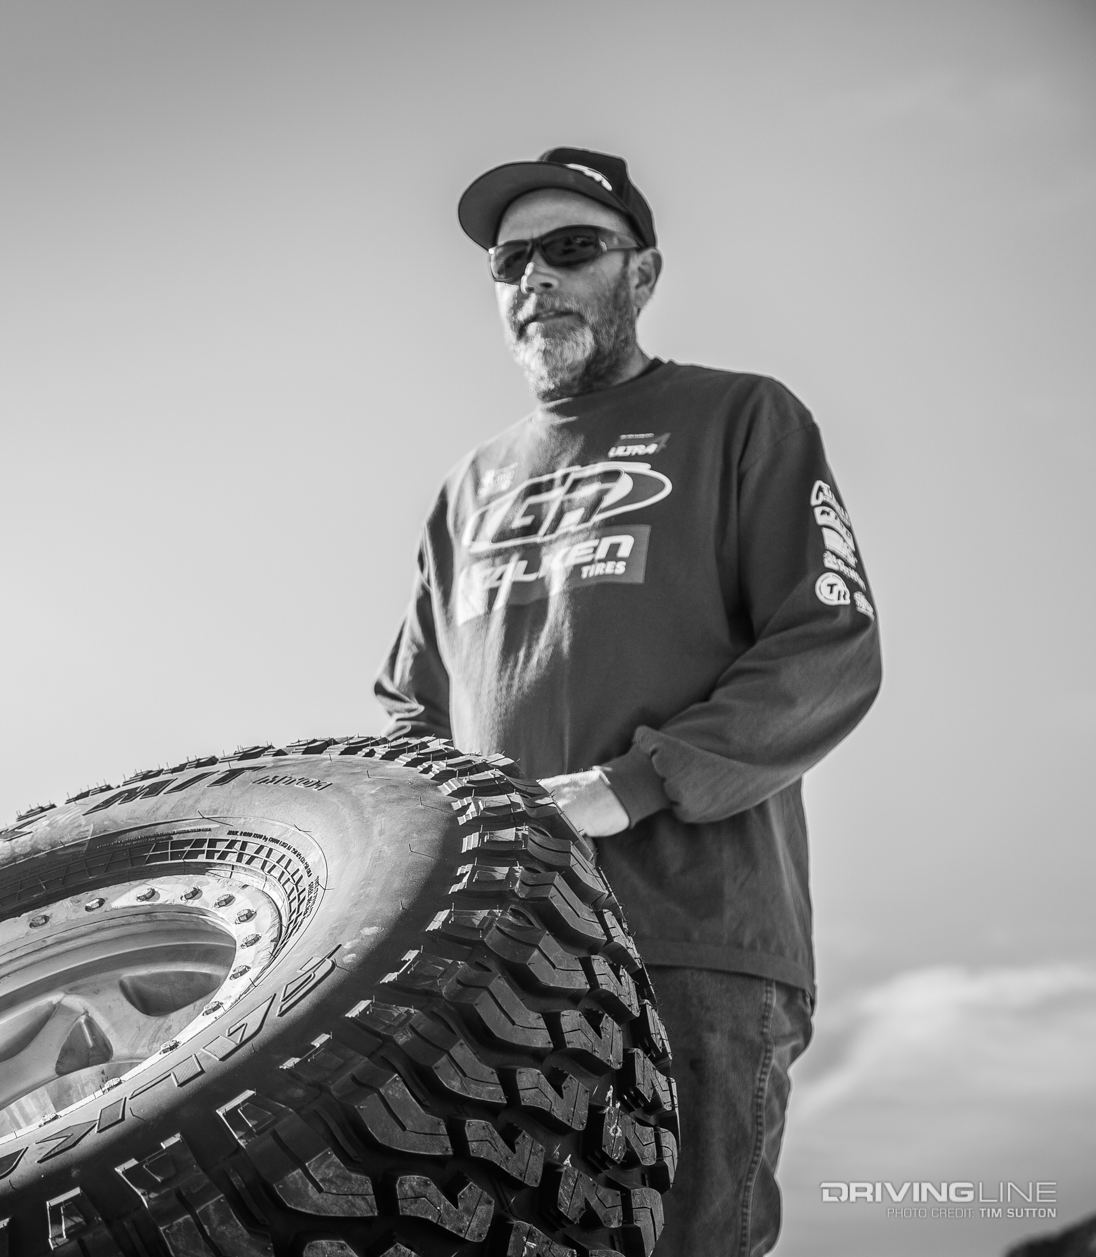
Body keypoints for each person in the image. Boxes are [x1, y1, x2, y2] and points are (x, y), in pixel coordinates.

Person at [375, 147, 882, 1256]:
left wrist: (631, 785)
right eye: (511, 261)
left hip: (695, 943)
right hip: (497, 966)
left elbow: (828, 640)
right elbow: (411, 718)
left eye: (571, 249)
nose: (536, 279)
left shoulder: (741, 417)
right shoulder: (466, 491)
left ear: (640, 273)